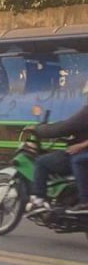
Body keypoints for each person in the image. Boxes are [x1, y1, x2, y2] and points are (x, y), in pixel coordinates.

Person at [28, 86, 88, 214]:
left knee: (42, 162)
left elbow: (65, 127)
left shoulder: (86, 113)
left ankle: (39, 198)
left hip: (82, 154)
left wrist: (38, 130)